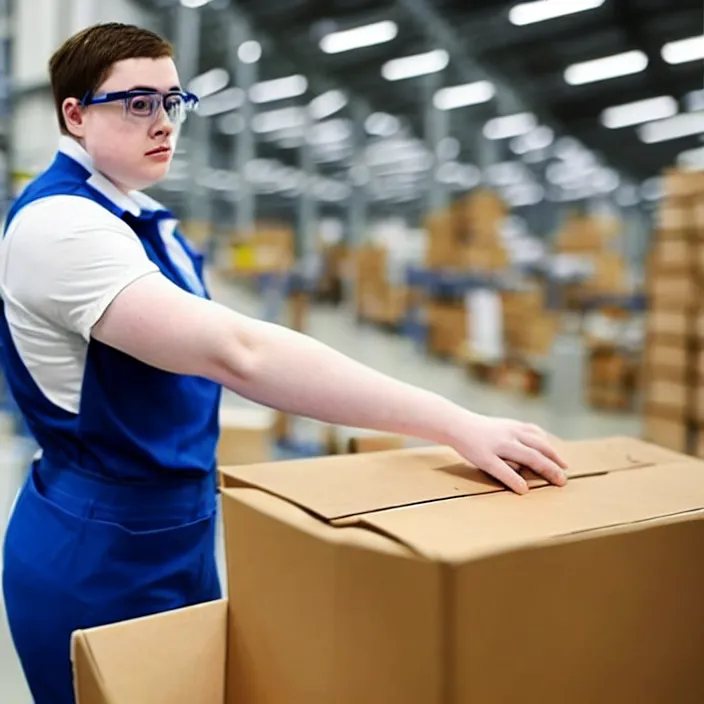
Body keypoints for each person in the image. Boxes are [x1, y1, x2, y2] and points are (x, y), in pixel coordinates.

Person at [0, 22, 568, 704]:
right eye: (137, 103)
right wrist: (453, 421)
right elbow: (237, 353)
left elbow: (174, 371)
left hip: (177, 526)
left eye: (173, 102)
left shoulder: (143, 217)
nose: (163, 123)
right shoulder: (60, 226)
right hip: (98, 544)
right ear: (74, 113)